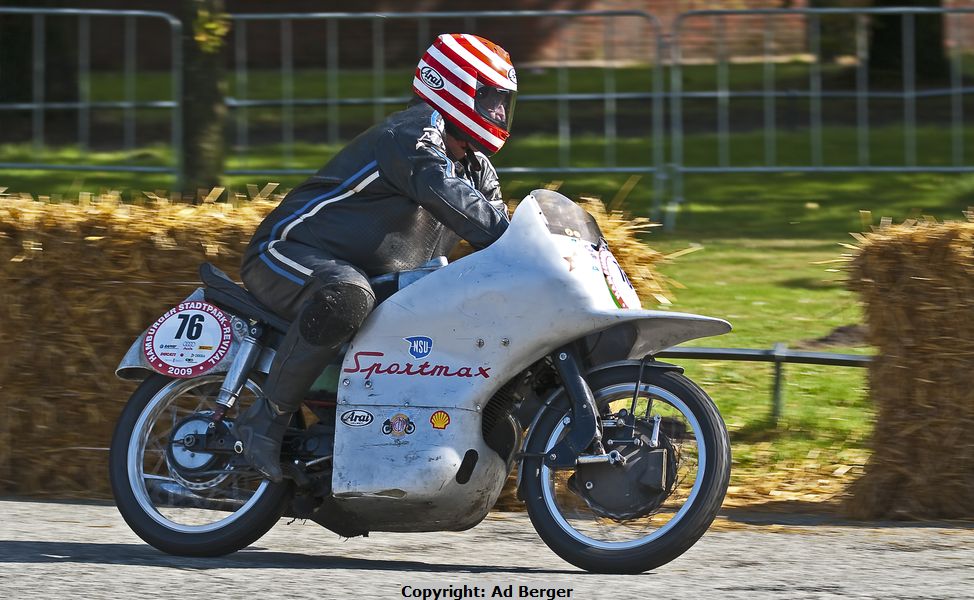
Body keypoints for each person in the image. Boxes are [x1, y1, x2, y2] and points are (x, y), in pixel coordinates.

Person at [233, 33, 518, 482]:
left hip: (368, 276)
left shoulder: (476, 165)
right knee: (346, 295)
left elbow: (501, 225)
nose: (499, 112)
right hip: (289, 253)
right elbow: (453, 198)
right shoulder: (413, 134)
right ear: (453, 87)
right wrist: (511, 242)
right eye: (490, 98)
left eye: (504, 101)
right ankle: (264, 422)